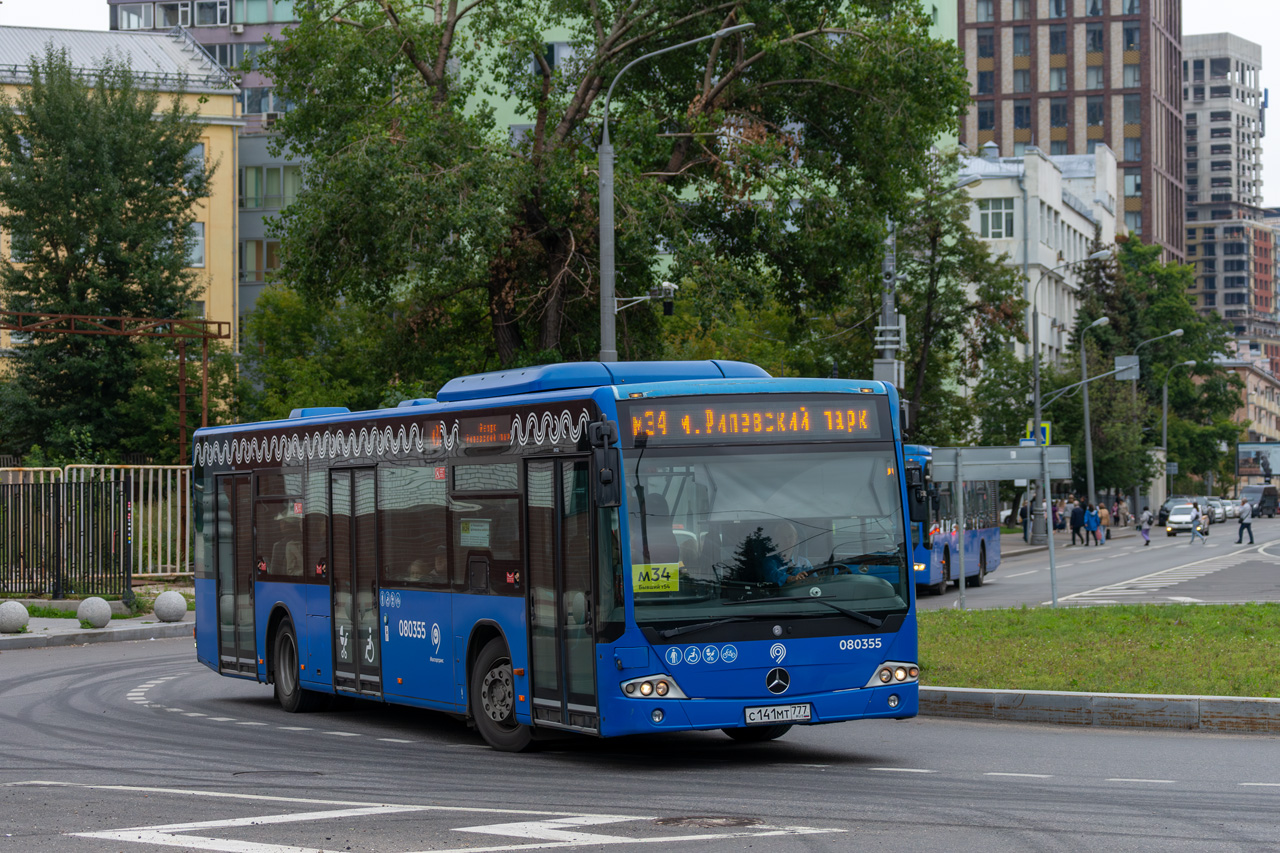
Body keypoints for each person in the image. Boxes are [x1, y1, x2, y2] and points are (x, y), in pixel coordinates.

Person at [765, 521, 814, 586]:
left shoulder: (804, 563)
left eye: (790, 536)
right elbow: (773, 575)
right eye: (783, 537)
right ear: (776, 539)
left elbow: (815, 581)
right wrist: (792, 578)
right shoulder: (769, 562)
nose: (787, 540)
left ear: (795, 538)